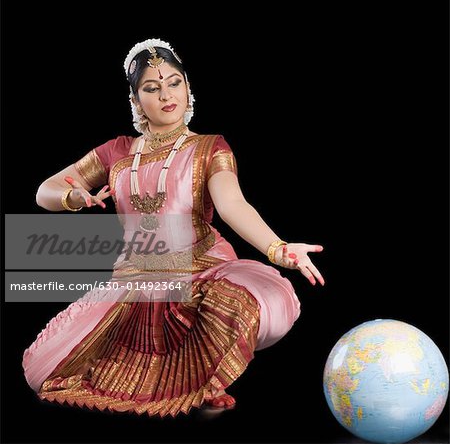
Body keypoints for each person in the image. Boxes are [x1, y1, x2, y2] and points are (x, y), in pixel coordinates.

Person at [22, 38, 325, 417]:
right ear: (136, 101)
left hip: (201, 269)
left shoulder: (210, 148)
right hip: (136, 282)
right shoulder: (117, 152)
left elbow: (232, 204)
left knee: (257, 302)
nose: (167, 94)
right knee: (45, 368)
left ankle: (204, 382)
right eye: (151, 88)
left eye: (174, 82)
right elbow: (44, 191)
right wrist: (73, 198)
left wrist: (277, 248)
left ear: (187, 87)